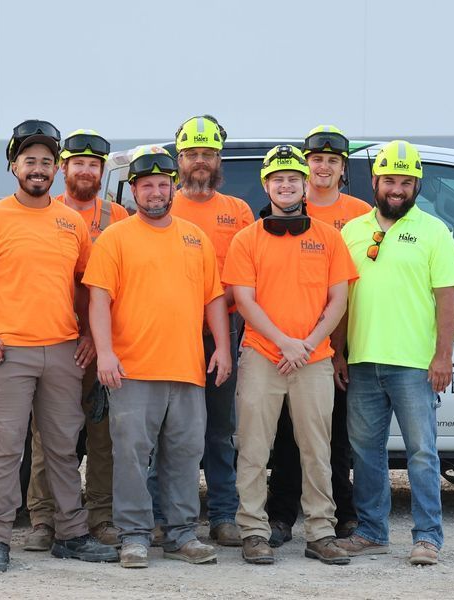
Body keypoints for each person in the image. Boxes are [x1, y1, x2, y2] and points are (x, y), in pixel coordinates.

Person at [0, 119, 118, 573]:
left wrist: (85, 334)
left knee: (63, 447)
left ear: (55, 169)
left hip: (62, 350)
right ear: (13, 166)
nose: (38, 169)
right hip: (8, 354)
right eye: (30, 161)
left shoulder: (70, 222)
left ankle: (72, 534)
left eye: (46, 161)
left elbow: (86, 283)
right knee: (6, 449)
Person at [84, 145, 231, 568]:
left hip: (186, 368)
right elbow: (98, 300)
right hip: (131, 370)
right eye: (146, 185)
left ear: (173, 188)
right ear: (133, 190)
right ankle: (134, 535)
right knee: (130, 456)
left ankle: (183, 533)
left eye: (162, 185)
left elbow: (214, 299)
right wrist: (106, 355)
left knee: (185, 454)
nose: (154, 192)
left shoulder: (194, 237)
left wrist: (222, 347)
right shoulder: (116, 237)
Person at [223, 145, 357, 565]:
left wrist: (309, 343)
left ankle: (320, 531)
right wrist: (284, 342)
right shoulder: (247, 238)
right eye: (278, 179)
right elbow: (244, 300)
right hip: (263, 355)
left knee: (317, 447)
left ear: (304, 186)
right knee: (254, 448)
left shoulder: (329, 238)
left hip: (313, 358)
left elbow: (339, 298)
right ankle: (253, 531)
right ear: (266, 185)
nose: (286, 185)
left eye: (293, 179)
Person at [337, 140, 454, 566]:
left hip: (414, 364)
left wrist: (442, 356)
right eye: (389, 180)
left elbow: (446, 301)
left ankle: (427, 537)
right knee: (366, 452)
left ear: (416, 185)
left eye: (405, 182)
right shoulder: (353, 231)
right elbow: (342, 298)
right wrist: (339, 353)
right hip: (362, 361)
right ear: (375, 181)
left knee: (422, 452)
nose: (397, 189)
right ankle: (372, 532)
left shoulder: (434, 231)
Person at [266, 126, 371, 546]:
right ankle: (281, 515)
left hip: (342, 338)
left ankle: (343, 513)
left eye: (333, 160)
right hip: (290, 343)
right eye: (317, 160)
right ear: (304, 168)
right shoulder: (286, 207)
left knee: (335, 434)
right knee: (289, 437)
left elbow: (347, 288)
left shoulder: (361, 212)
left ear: (343, 168)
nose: (323, 166)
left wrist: (338, 349)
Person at [25, 129, 128, 551]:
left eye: (93, 165)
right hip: (52, 342)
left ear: (102, 172)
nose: (85, 171)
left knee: (103, 435)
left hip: (101, 344)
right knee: (47, 436)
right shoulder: (42, 210)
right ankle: (43, 518)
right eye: (78, 163)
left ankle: (101, 515)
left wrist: (95, 337)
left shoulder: (119, 218)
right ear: (63, 168)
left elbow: (121, 283)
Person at [164, 115, 253, 546]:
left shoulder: (237, 211)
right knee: (168, 429)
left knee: (220, 429)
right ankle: (165, 516)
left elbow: (248, 275)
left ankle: (222, 516)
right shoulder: (163, 205)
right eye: (192, 154)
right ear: (179, 160)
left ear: (219, 159)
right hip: (169, 333)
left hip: (225, 333)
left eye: (208, 154)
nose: (200, 162)